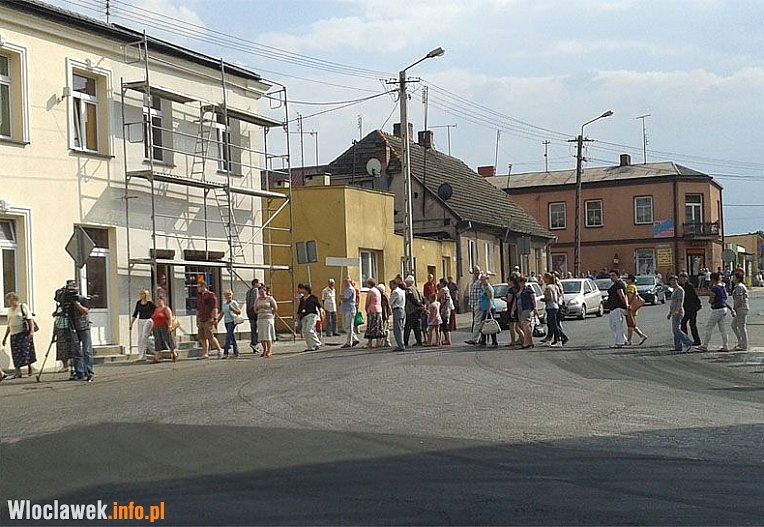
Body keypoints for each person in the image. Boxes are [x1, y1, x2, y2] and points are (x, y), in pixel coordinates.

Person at [2, 292, 36, 379]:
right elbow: (9, 325)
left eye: (9, 300)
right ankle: (18, 372)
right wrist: (5, 338)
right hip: (14, 334)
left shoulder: (23, 306)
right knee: (15, 354)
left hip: (23, 333)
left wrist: (32, 331)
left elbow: (30, 319)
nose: (8, 302)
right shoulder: (9, 310)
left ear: (14, 299)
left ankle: (29, 366)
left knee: (26, 351)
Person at [695, 272, 730, 352]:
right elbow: (725, 297)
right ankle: (725, 345)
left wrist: (710, 299)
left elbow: (712, 299)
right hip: (724, 308)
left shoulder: (715, 288)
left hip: (717, 309)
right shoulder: (722, 287)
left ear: (713, 279)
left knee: (709, 327)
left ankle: (705, 345)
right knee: (723, 328)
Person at [69, 284, 94, 382]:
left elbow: (85, 311)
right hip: (72, 327)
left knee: (86, 350)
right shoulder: (67, 301)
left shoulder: (83, 299)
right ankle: (79, 372)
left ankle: (89, 372)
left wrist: (76, 303)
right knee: (75, 351)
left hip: (84, 327)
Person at [666, 276, 695, 352]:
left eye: (674, 280)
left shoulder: (680, 290)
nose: (672, 282)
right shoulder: (674, 290)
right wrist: (670, 313)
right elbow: (673, 303)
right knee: (675, 330)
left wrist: (677, 310)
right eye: (671, 281)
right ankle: (678, 346)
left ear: (677, 281)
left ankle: (688, 342)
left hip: (678, 312)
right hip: (673, 312)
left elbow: (680, 301)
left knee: (676, 329)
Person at [196, 282, 223, 359]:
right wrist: (197, 319)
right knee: (202, 337)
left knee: (210, 336)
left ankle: (219, 350)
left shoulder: (211, 295)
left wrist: (215, 318)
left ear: (204, 286)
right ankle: (205, 353)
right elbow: (198, 309)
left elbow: (215, 307)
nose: (198, 288)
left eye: (199, 286)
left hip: (208, 318)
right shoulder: (200, 296)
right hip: (201, 318)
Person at [541, 273, 567, 347]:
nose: (543, 279)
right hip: (555, 306)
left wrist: (543, 299)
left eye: (544, 278)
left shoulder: (548, 287)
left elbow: (549, 298)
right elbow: (559, 295)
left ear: (547, 278)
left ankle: (559, 340)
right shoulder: (555, 286)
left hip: (550, 306)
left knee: (553, 324)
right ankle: (549, 340)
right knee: (552, 324)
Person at [129, 289, 155, 359]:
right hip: (140, 320)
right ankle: (141, 355)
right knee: (140, 338)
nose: (141, 295)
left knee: (144, 336)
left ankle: (146, 353)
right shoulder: (138, 303)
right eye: (141, 294)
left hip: (148, 320)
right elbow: (135, 313)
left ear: (146, 295)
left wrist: (152, 327)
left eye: (143, 294)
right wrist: (131, 323)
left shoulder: (150, 303)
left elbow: (155, 313)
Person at [151, 297, 178, 362]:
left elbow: (170, 317)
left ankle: (174, 353)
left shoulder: (166, 308)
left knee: (169, 340)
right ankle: (157, 357)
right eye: (157, 301)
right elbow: (153, 319)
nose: (158, 302)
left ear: (163, 301)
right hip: (156, 327)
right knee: (157, 342)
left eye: (160, 300)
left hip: (164, 327)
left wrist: (170, 326)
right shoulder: (156, 309)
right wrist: (152, 329)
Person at [607, 270, 628, 348]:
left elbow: (622, 296)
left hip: (618, 308)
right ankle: (624, 340)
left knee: (617, 325)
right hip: (613, 308)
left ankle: (619, 343)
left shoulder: (619, 284)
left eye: (613, 275)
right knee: (612, 325)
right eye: (610, 276)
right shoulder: (616, 284)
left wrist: (626, 306)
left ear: (618, 276)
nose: (611, 277)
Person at [679, 272, 702, 346]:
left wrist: (698, 305)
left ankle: (696, 340)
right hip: (685, 308)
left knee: (692, 324)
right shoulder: (680, 286)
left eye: (684, 278)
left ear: (687, 278)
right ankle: (685, 339)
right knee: (683, 323)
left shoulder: (689, 286)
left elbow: (695, 296)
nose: (682, 279)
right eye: (681, 278)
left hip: (692, 308)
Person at [624, 275, 648, 346]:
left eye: (627, 279)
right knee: (632, 324)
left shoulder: (630, 287)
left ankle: (629, 340)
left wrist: (626, 304)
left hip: (630, 307)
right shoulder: (633, 286)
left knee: (630, 324)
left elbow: (629, 297)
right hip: (633, 307)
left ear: (631, 280)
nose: (626, 280)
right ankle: (641, 335)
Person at [297, 284, 322, 352]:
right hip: (304, 316)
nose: (302, 290)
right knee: (305, 331)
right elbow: (300, 308)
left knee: (309, 330)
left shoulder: (313, 298)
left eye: (303, 289)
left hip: (312, 315)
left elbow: (319, 306)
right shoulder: (302, 298)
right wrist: (298, 315)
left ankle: (317, 343)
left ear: (307, 290)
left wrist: (321, 313)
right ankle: (310, 346)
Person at [255, 286, 278, 358]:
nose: (261, 293)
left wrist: (271, 314)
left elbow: (275, 307)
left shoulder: (270, 298)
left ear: (265, 291)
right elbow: (255, 308)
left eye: (262, 291)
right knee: (261, 335)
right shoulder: (257, 299)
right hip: (260, 318)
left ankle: (269, 351)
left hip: (268, 318)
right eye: (260, 292)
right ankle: (265, 350)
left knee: (267, 335)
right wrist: (258, 312)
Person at [465, 267, 484, 345]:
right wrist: (470, 304)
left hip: (479, 304)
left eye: (477, 270)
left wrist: (481, 303)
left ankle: (475, 339)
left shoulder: (481, 280)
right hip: (474, 304)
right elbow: (472, 293)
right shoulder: (472, 280)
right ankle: (480, 339)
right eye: (475, 271)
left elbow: (483, 292)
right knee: (478, 322)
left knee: (477, 322)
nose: (476, 272)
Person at [477, 275, 498, 347]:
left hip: (489, 309)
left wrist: (488, 310)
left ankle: (491, 341)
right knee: (485, 324)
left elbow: (489, 300)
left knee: (488, 324)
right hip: (485, 308)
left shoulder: (488, 288)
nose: (482, 281)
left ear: (487, 280)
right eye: (481, 280)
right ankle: (484, 340)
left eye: (483, 280)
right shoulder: (484, 288)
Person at [219, 290, 241, 358]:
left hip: (232, 321)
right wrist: (217, 321)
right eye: (227, 295)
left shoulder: (234, 303)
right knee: (231, 336)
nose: (229, 296)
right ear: (225, 296)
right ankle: (236, 352)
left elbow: (239, 312)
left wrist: (232, 308)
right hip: (226, 322)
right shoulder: (224, 304)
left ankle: (226, 352)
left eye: (230, 295)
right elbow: (222, 313)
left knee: (228, 336)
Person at [404, 276, 425, 347]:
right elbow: (422, 298)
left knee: (408, 326)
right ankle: (419, 341)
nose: (406, 283)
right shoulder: (416, 289)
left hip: (411, 310)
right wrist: (421, 305)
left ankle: (405, 341)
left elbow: (412, 299)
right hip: (418, 310)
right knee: (417, 326)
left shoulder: (409, 290)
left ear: (409, 282)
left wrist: (419, 305)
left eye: (406, 282)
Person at [730, 273, 749, 351]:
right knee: (734, 325)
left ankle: (744, 344)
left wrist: (735, 308)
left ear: (737, 278)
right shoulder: (738, 286)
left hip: (741, 308)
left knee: (741, 326)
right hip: (741, 308)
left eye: (734, 277)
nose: (732, 278)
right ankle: (740, 341)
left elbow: (739, 299)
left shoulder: (739, 287)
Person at [340, 277, 360, 348]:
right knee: (347, 326)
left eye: (346, 282)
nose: (344, 283)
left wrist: (341, 297)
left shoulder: (350, 289)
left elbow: (346, 299)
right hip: (347, 309)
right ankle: (355, 339)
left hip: (350, 310)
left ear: (349, 282)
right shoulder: (346, 289)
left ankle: (349, 342)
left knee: (349, 326)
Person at [517, 275, 536, 349]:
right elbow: (516, 300)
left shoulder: (528, 289)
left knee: (526, 325)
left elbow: (533, 299)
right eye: (520, 282)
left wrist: (535, 308)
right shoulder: (519, 290)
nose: (522, 283)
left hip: (527, 308)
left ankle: (526, 343)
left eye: (524, 281)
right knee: (524, 326)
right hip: (520, 309)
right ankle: (530, 342)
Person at [389, 279, 406, 351]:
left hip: (397, 309)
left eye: (391, 285)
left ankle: (400, 345)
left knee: (397, 329)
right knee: (401, 328)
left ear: (395, 284)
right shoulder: (402, 291)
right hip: (402, 309)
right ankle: (402, 343)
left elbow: (390, 302)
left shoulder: (395, 292)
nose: (390, 286)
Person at [506, 276, 523, 346]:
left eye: (508, 281)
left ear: (511, 281)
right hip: (518, 308)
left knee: (512, 326)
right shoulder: (517, 289)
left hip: (511, 308)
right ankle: (520, 339)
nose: (507, 282)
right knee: (519, 325)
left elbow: (509, 300)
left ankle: (513, 341)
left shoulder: (510, 290)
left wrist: (504, 299)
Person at [245, 278, 260, 353]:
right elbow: (256, 301)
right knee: (256, 328)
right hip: (254, 311)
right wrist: (257, 310)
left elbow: (247, 302)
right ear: (256, 283)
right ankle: (254, 343)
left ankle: (254, 345)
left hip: (249, 311)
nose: (259, 284)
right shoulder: (255, 290)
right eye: (259, 283)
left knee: (253, 328)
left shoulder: (248, 291)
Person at [437, 278, 454, 346]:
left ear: (442, 283)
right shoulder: (447, 289)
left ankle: (447, 340)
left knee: (443, 324)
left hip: (443, 309)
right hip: (447, 308)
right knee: (444, 324)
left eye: (440, 283)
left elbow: (437, 297)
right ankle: (445, 339)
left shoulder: (442, 290)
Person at [376, 283, 392, 348]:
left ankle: (381, 342)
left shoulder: (382, 296)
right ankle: (386, 342)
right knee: (385, 329)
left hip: (383, 314)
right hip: (385, 314)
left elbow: (385, 306)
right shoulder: (386, 295)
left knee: (382, 329)